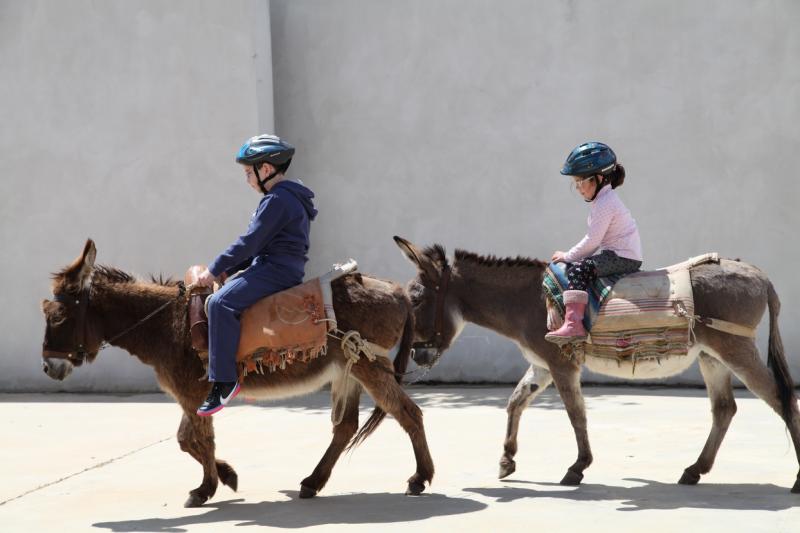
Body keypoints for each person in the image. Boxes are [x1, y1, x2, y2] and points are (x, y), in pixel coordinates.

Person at [194, 134, 318, 415]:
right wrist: (226, 271)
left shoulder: (277, 199)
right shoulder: (284, 197)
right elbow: (256, 247)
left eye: (249, 172)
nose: (247, 179)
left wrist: (213, 269)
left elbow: (248, 242)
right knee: (222, 295)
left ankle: (224, 382)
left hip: (277, 270)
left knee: (218, 303)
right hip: (274, 265)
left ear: (266, 169)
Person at [545, 141, 642, 345]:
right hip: (617, 254)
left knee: (579, 270)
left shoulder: (605, 203)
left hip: (623, 257)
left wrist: (568, 256)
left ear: (599, 178)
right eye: (576, 183)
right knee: (582, 266)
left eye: (581, 182)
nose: (579, 188)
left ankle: (574, 324)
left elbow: (592, 241)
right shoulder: (603, 200)